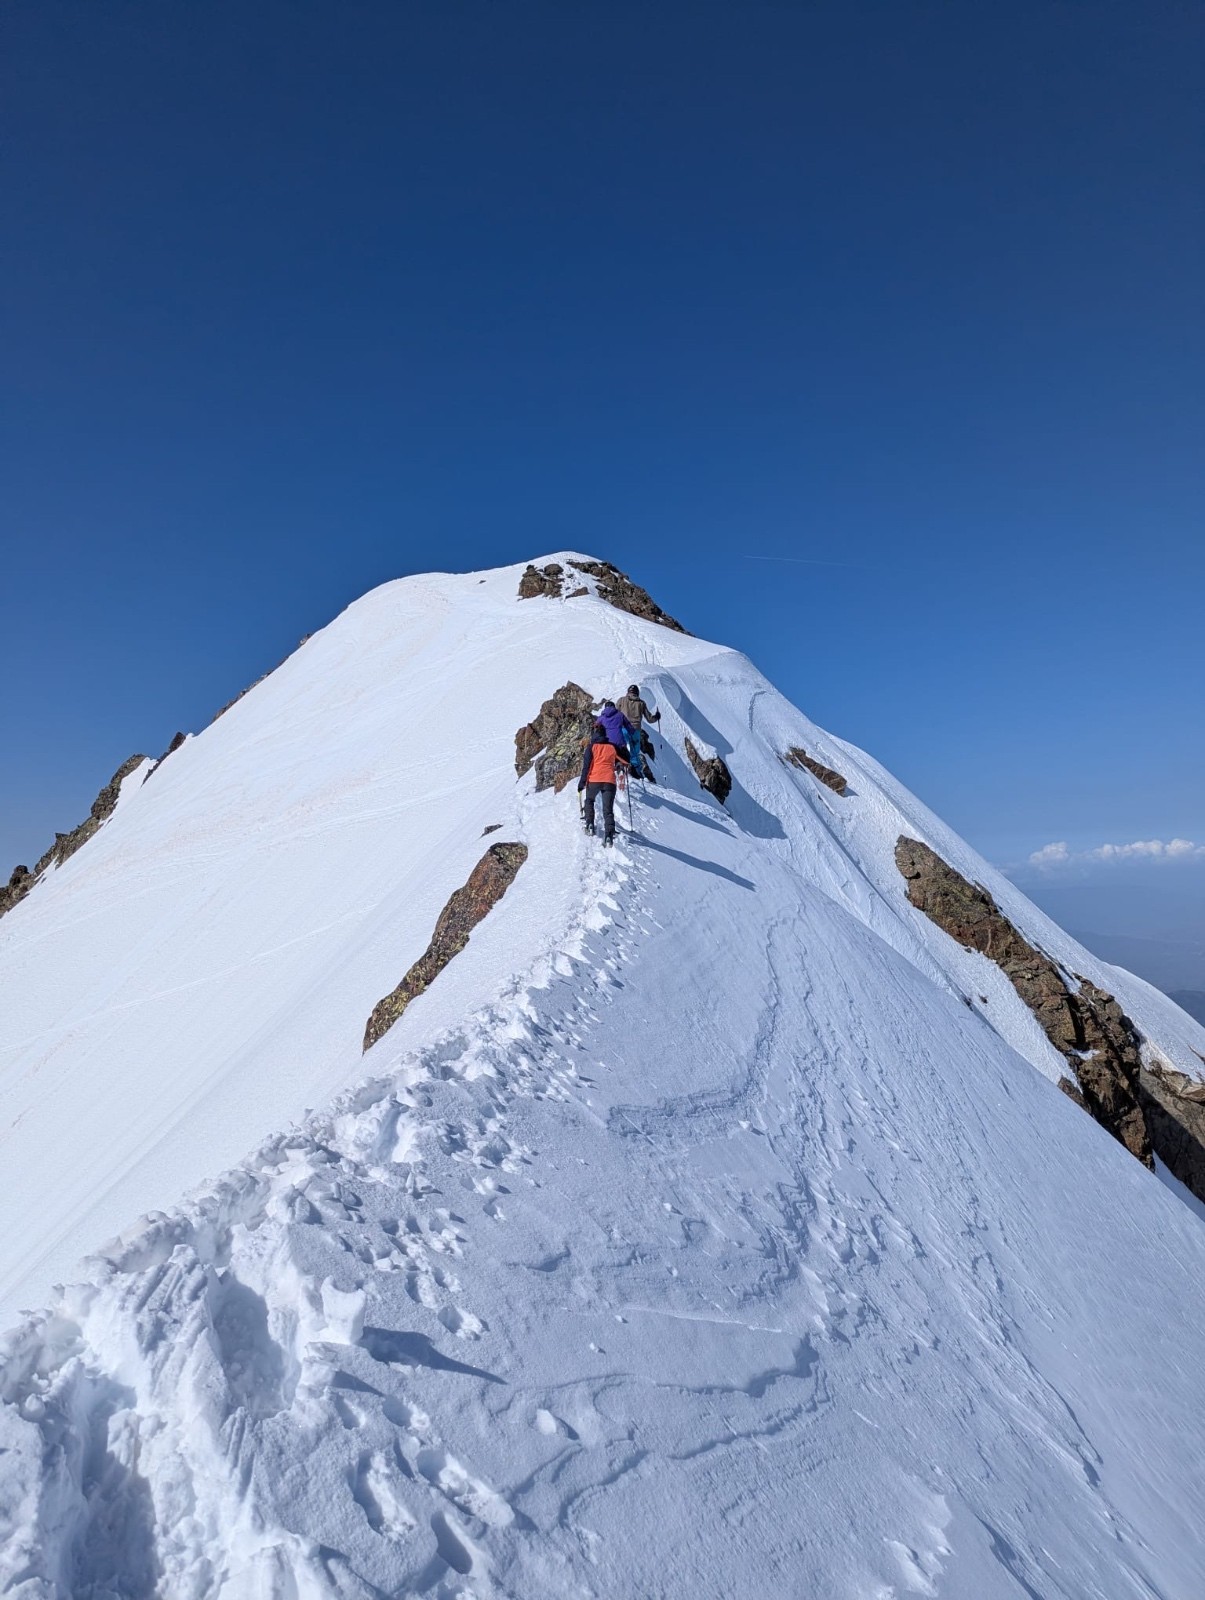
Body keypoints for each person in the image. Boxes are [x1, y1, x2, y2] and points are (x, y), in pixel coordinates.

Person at [577, 722, 630, 845]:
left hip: (594, 779)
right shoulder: (612, 747)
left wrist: (582, 783)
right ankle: (609, 835)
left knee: (589, 800)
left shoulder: (591, 747)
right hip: (609, 781)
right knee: (608, 809)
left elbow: (586, 767)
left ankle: (590, 824)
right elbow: (625, 760)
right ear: (605, 734)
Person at [615, 685, 660, 780]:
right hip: (636, 730)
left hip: (624, 729)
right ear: (637, 693)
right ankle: (636, 771)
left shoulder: (621, 700)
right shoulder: (641, 703)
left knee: (623, 748)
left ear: (628, 692)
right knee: (634, 752)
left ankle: (622, 767)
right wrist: (656, 716)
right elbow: (650, 719)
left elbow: (615, 713)